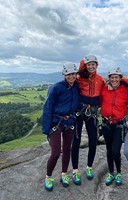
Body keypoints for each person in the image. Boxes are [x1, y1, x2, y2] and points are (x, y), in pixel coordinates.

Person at [42, 63, 79, 191]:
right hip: (55, 122)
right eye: (69, 74)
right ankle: (48, 177)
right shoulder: (56, 88)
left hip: (69, 122)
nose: (71, 76)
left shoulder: (77, 87)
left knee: (67, 149)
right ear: (64, 75)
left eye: (73, 74)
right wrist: (46, 129)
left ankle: (64, 174)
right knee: (56, 152)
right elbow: (47, 108)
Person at [71, 55, 105, 185]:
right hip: (79, 111)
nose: (91, 67)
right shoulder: (79, 79)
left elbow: (102, 95)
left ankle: (89, 167)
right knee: (77, 139)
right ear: (85, 65)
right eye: (88, 64)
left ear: (97, 65)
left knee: (93, 140)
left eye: (93, 64)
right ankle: (75, 171)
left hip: (92, 112)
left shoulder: (100, 80)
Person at [100, 67, 128, 186]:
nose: (114, 79)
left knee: (115, 151)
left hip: (119, 124)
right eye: (112, 77)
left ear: (120, 78)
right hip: (106, 123)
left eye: (116, 77)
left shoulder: (125, 89)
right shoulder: (104, 89)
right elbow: (99, 102)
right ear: (109, 79)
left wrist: (122, 82)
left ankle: (118, 173)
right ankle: (110, 173)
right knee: (109, 150)